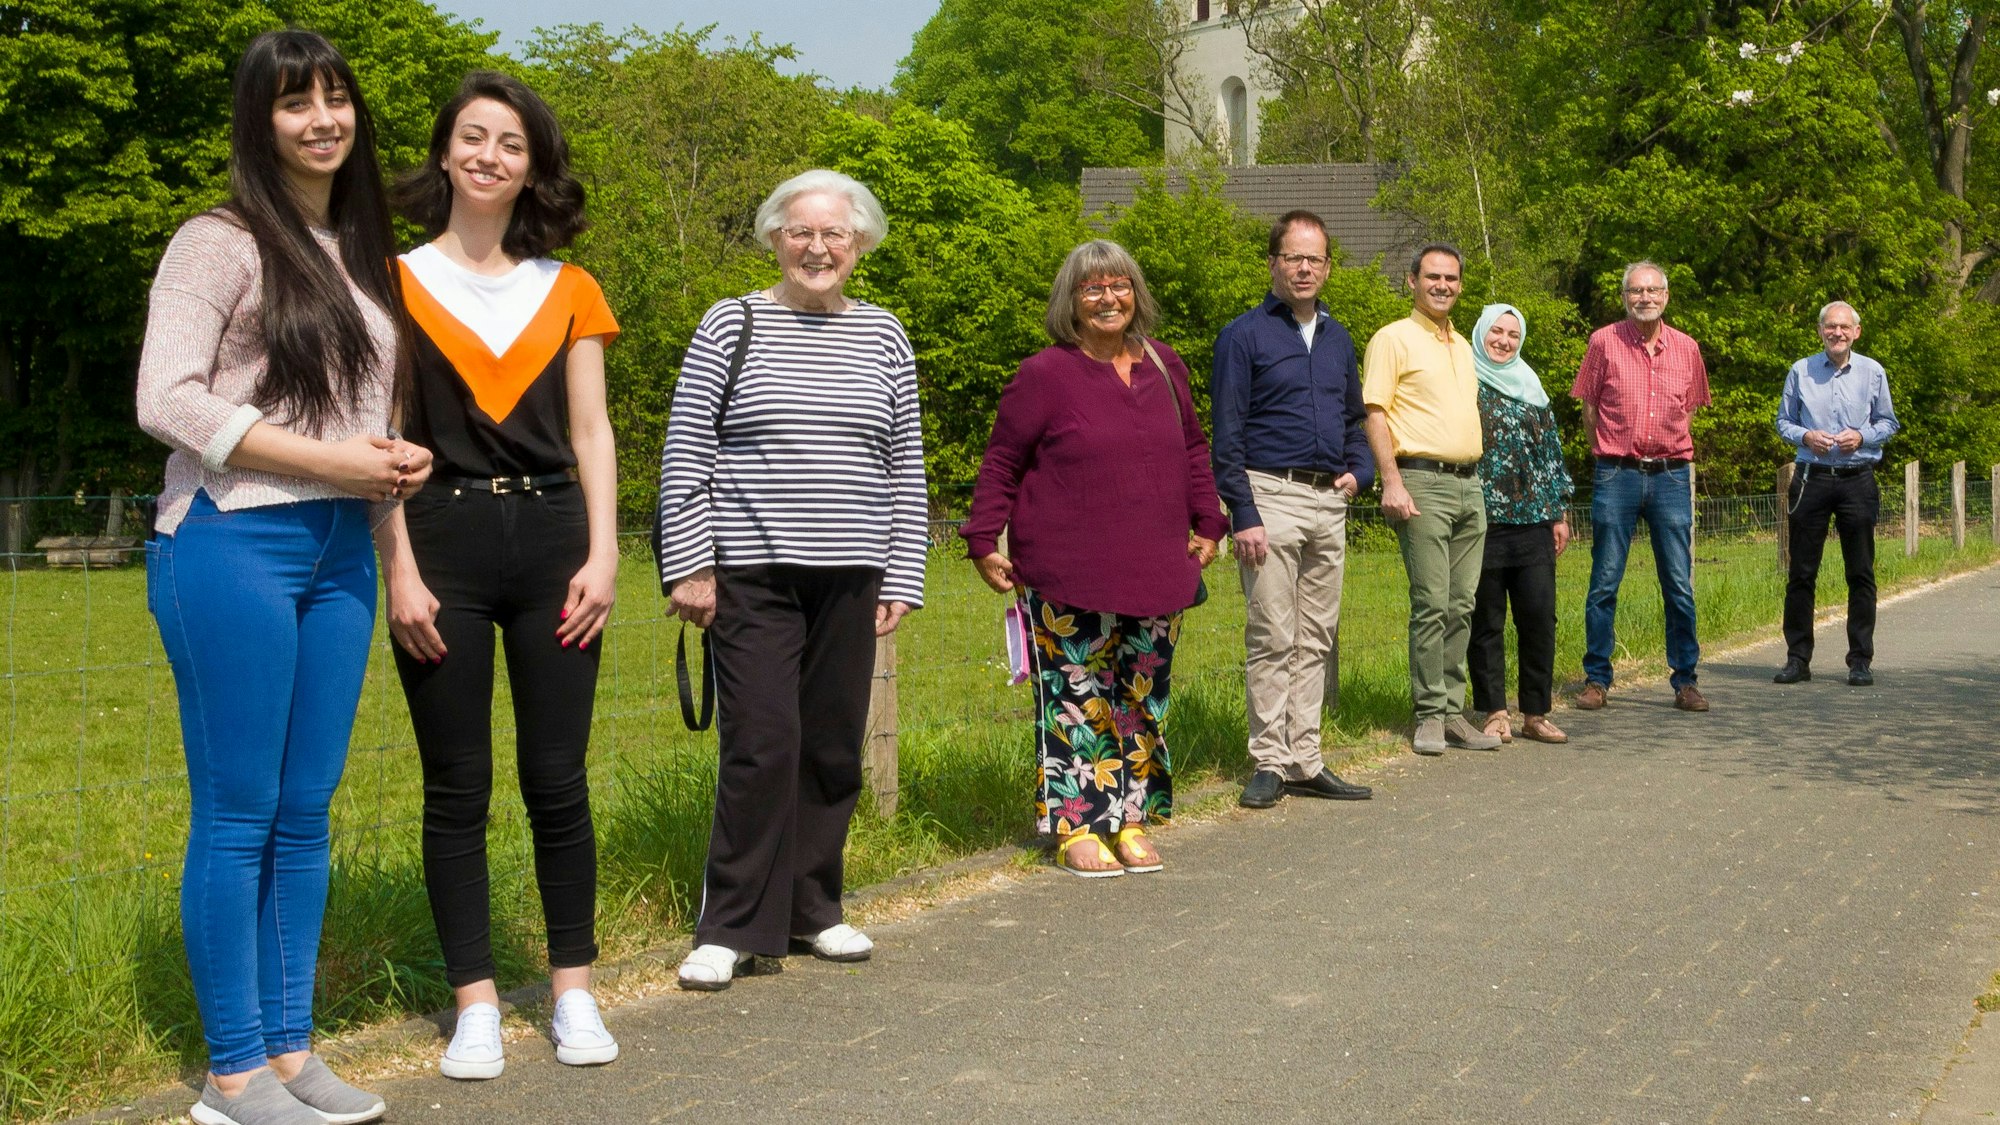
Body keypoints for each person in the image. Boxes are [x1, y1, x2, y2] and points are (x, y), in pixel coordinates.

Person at [136, 29, 431, 1125]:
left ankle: (291, 1050)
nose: (322, 119)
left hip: (338, 552)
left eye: (337, 98)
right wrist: (331, 462)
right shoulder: (216, 241)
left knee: (305, 812)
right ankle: (230, 1075)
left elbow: (363, 420)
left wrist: (393, 461)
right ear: (259, 124)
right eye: (294, 103)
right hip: (229, 542)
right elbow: (165, 399)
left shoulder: (358, 249)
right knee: (238, 814)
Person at [375, 71, 620, 1079]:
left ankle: (572, 990)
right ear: (443, 153)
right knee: (456, 786)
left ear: (533, 165)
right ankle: (473, 1001)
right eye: (471, 137)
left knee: (556, 780)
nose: (488, 155)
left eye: (510, 143)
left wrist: (606, 553)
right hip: (439, 545)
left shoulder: (569, 289)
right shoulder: (384, 281)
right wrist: (398, 570)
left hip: (557, 539)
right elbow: (378, 437)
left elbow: (595, 430)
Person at [655, 169, 927, 989]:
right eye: (801, 232)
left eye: (835, 234)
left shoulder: (884, 335)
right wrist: (690, 564)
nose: (818, 247)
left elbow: (904, 463)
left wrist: (903, 572)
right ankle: (729, 924)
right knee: (761, 743)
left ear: (861, 245)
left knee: (833, 745)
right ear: (774, 237)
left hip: (851, 572)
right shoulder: (730, 323)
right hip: (753, 572)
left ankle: (815, 908)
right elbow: (687, 449)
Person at [962, 239, 1227, 875]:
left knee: (1141, 698)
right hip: (1066, 571)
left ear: (1135, 293)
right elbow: (1002, 462)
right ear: (1071, 303)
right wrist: (982, 538)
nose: (1108, 298)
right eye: (1092, 289)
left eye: (1119, 285)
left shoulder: (1166, 365)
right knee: (1075, 699)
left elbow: (1193, 448)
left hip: (1160, 568)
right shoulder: (1044, 374)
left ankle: (1131, 819)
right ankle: (1077, 824)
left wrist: (1210, 521)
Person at [1210, 210, 1374, 809]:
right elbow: (1226, 434)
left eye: (1315, 259)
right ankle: (1269, 760)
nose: (1304, 268)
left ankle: (1306, 758)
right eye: (1293, 257)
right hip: (1269, 495)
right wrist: (1244, 512)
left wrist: (1360, 471)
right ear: (1274, 262)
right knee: (1273, 633)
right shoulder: (1244, 335)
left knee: (1316, 635)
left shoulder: (1338, 338)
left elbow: (1355, 417)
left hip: (1329, 500)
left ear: (1328, 267)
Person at [1361, 243, 1500, 755]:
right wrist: (1391, 481)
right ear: (1412, 281)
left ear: (1461, 285)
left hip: (1470, 483)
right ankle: (1428, 715)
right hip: (1422, 482)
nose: (1443, 285)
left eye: (1451, 278)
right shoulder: (1392, 339)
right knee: (1431, 603)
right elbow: (1375, 412)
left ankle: (1453, 712)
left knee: (1463, 604)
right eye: (1432, 277)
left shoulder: (1462, 345)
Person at [1570, 261, 1712, 713]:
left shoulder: (1688, 348)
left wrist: (1666, 446)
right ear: (1625, 297)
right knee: (1605, 580)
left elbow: (1689, 409)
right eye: (1636, 290)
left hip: (1671, 475)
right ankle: (1597, 679)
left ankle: (1685, 680)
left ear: (1666, 297)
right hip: (1617, 473)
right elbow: (1589, 409)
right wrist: (1607, 453)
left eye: (1653, 290)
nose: (1645, 297)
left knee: (1678, 582)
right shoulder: (1603, 342)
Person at [1772, 301, 1898, 687]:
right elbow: (1783, 421)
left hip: (1857, 478)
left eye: (1844, 327)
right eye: (1830, 327)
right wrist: (1806, 435)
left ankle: (1860, 660)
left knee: (1860, 572)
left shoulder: (1873, 371)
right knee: (1801, 573)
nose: (1837, 333)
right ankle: (1798, 659)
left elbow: (1888, 422)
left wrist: (1862, 436)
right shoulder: (1800, 370)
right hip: (1811, 478)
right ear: (1820, 331)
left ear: (1856, 332)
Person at [1466, 304, 1574, 745]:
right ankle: (1494, 712)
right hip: (1482, 518)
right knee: (1485, 619)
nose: (1504, 340)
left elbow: (1550, 453)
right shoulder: (1464, 379)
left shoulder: (1532, 386)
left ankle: (1535, 712)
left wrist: (1559, 513)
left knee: (1538, 618)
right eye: (1497, 331)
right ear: (1481, 333)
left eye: (1513, 334)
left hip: (1533, 520)